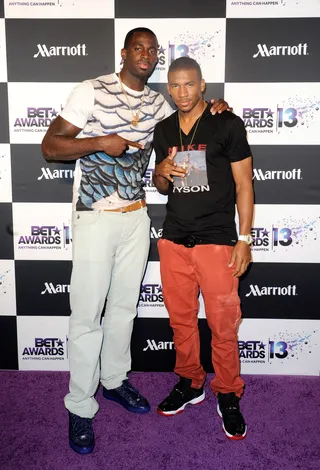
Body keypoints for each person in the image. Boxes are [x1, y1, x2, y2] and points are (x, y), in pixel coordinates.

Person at [41, 28, 231, 454]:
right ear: (124, 53)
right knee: (87, 314)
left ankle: (112, 381)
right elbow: (51, 146)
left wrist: (218, 106)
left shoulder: (159, 104)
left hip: (136, 218)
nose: (145, 55)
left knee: (124, 309)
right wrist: (99, 143)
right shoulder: (91, 91)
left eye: (152, 50)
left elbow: (192, 112)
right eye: (138, 48)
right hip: (95, 216)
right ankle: (79, 405)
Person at [153, 57, 254, 441]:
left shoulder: (225, 122)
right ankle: (191, 382)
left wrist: (243, 239)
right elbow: (162, 185)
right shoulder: (163, 130)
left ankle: (228, 393)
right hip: (174, 239)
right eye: (175, 86)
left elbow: (245, 185)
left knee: (223, 326)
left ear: (203, 85)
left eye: (189, 85)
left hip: (216, 241)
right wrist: (161, 171)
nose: (182, 93)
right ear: (169, 88)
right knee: (181, 322)